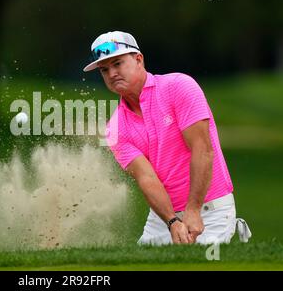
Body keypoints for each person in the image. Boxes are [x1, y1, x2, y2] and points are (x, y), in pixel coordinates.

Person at [83, 31, 252, 245]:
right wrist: (172, 221)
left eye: (117, 63)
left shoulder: (178, 86)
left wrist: (193, 209)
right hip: (162, 218)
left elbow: (203, 150)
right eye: (104, 69)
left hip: (210, 208)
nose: (112, 73)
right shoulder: (115, 128)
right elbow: (147, 178)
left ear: (138, 59)